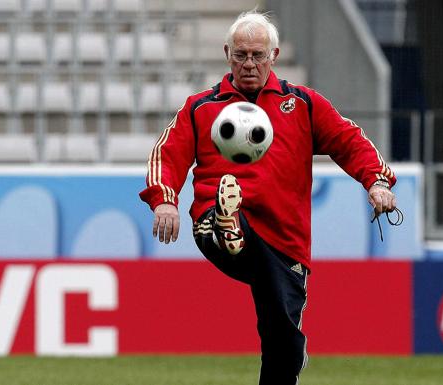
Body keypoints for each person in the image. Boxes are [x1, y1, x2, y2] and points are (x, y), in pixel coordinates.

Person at [139, 10, 398, 385]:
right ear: (227, 53)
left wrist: (376, 181)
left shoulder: (302, 104)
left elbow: (349, 140)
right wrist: (164, 198)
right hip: (215, 218)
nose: (248, 64)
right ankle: (229, 224)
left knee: (283, 346)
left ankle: (291, 351)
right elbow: (167, 154)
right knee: (225, 221)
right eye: (241, 55)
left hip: (284, 240)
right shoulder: (201, 108)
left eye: (257, 55)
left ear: (273, 56)